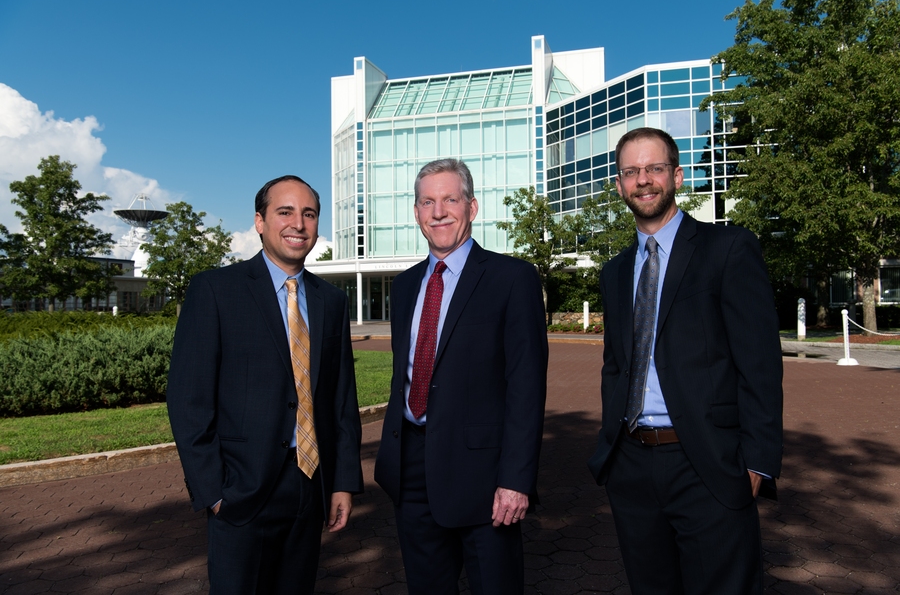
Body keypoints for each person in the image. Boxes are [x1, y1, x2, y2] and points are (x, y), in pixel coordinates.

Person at [587, 127, 783, 594]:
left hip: (709, 463)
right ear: (618, 185)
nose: (643, 181)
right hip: (631, 465)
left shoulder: (727, 248)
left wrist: (757, 462)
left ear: (676, 175)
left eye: (654, 169)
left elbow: (759, 363)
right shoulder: (615, 272)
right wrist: (612, 449)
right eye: (631, 172)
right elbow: (616, 365)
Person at [167, 175, 363, 595]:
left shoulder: (331, 300)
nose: (298, 223)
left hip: (309, 486)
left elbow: (341, 399)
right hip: (241, 491)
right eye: (285, 212)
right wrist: (214, 491)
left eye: (309, 214)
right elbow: (189, 400)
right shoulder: (216, 290)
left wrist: (343, 481)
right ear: (259, 222)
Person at [374, 158, 548, 594]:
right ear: (416, 213)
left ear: (472, 207)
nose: (439, 212)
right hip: (412, 470)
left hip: (485, 478)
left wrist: (515, 479)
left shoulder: (512, 278)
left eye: (450, 199)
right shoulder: (404, 286)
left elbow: (526, 387)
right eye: (427, 202)